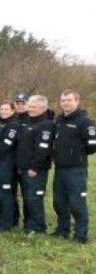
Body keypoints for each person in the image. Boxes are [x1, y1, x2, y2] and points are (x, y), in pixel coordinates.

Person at [51, 90, 94, 243]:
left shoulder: (84, 121)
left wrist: (76, 154)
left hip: (76, 169)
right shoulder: (58, 120)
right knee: (59, 202)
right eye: (63, 100)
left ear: (77, 101)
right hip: (60, 168)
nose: (65, 103)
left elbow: (92, 146)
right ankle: (62, 230)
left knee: (76, 203)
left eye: (69, 100)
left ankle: (81, 235)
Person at [15, 94, 53, 234]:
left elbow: (43, 149)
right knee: (27, 197)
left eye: (33, 107)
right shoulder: (29, 122)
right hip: (24, 168)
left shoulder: (46, 125)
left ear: (43, 108)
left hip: (35, 169)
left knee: (34, 198)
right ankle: (29, 224)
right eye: (29, 106)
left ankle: (38, 227)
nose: (30, 109)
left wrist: (34, 167)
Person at [0, 101, 19, 231]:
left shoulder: (13, 125)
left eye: (6, 109)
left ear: (12, 111)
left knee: (4, 193)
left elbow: (6, 145)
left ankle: (7, 222)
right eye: (1, 109)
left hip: (5, 164)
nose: (3, 111)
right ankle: (0, 218)